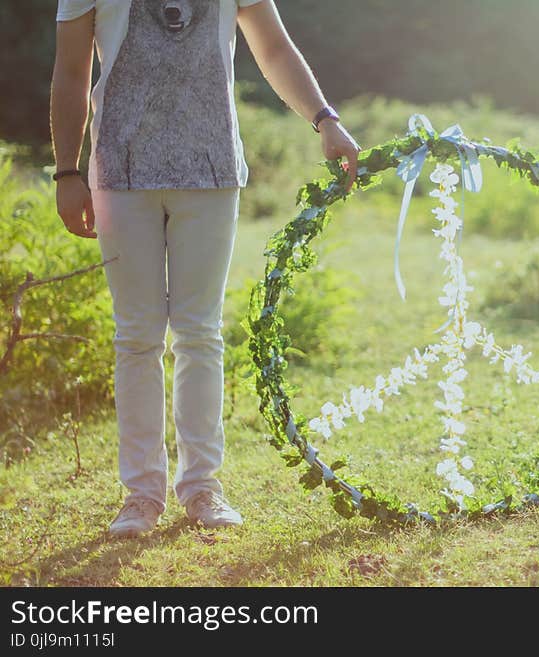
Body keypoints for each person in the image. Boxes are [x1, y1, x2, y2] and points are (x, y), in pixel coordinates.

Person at [51, 0, 360, 537]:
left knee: (199, 333)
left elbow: (274, 48)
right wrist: (66, 171)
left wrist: (324, 119)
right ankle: (141, 495)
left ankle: (202, 488)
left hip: (212, 170)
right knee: (137, 337)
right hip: (119, 174)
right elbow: (72, 69)